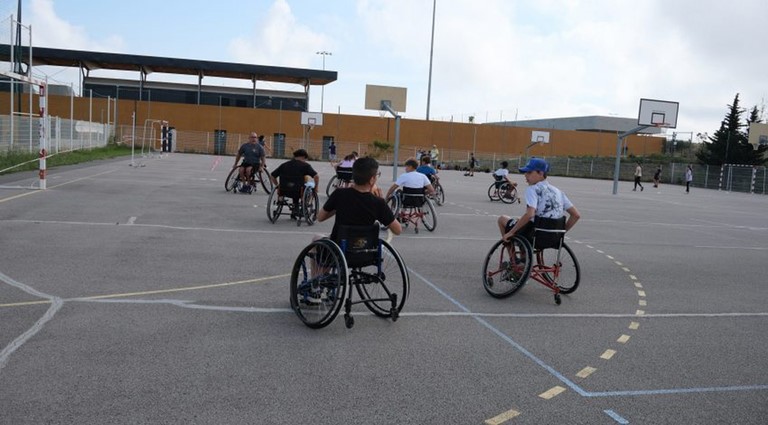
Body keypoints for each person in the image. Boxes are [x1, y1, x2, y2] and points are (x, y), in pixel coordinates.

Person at [497, 157, 580, 246]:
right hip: (553, 237)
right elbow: (576, 215)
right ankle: (523, 254)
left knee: (502, 219)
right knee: (522, 222)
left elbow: (530, 214)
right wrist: (561, 233)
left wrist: (511, 232)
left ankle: (512, 257)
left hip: (533, 234)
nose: (525, 175)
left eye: (529, 172)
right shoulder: (558, 191)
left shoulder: (532, 189)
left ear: (541, 173)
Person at [318, 157, 401, 241]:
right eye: (377, 175)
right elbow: (398, 230)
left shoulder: (339, 194)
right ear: (372, 179)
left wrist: (337, 206)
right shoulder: (378, 202)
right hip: (365, 248)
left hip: (340, 247)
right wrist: (383, 206)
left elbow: (320, 217)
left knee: (317, 238)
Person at [270, 149, 319, 217]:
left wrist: (278, 185)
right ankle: (303, 207)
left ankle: (295, 207)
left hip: (284, 190)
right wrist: (316, 187)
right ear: (303, 157)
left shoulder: (284, 165)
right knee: (309, 187)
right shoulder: (305, 165)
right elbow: (316, 176)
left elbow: (272, 176)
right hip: (299, 191)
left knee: (295, 186)